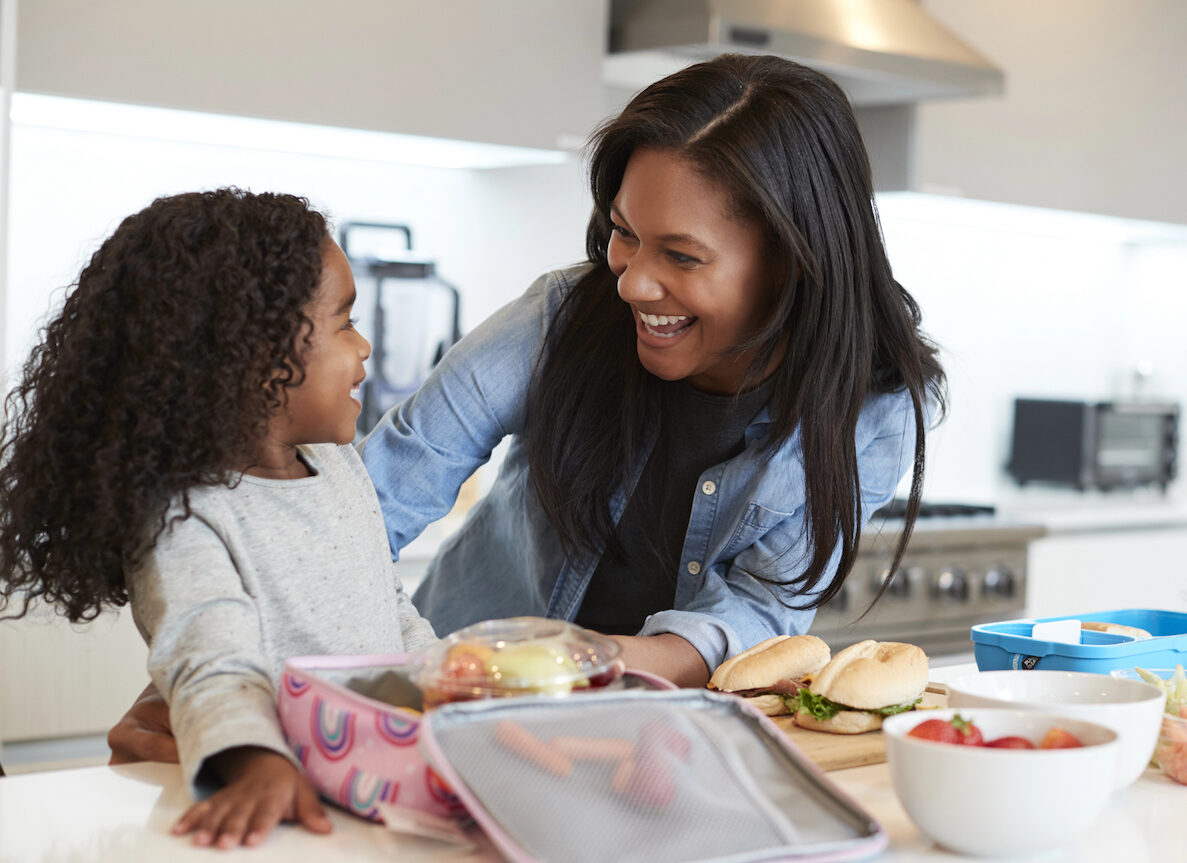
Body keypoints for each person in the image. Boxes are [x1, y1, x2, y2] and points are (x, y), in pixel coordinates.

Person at [107, 52, 946, 761]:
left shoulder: (870, 406)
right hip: (454, 712)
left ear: (793, 263)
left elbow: (763, 609)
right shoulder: (561, 318)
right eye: (623, 232)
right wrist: (226, 690)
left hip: (660, 736)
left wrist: (590, 664)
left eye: (681, 255)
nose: (631, 281)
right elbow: (388, 485)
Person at [0, 189, 437, 848]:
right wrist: (255, 760)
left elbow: (390, 606)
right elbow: (207, 657)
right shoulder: (183, 511)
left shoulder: (340, 468)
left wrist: (451, 680)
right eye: (344, 322)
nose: (365, 344)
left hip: (376, 780)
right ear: (259, 358)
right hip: (277, 795)